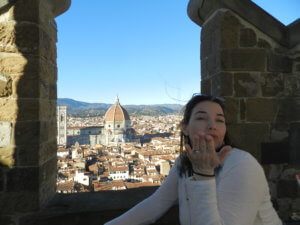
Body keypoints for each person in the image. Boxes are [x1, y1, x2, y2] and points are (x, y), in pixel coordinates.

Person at [104, 94, 282, 225]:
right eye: (202, 118)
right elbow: (156, 204)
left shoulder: (242, 165)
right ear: (185, 128)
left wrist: (204, 174)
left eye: (219, 120)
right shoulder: (185, 162)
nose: (212, 125)